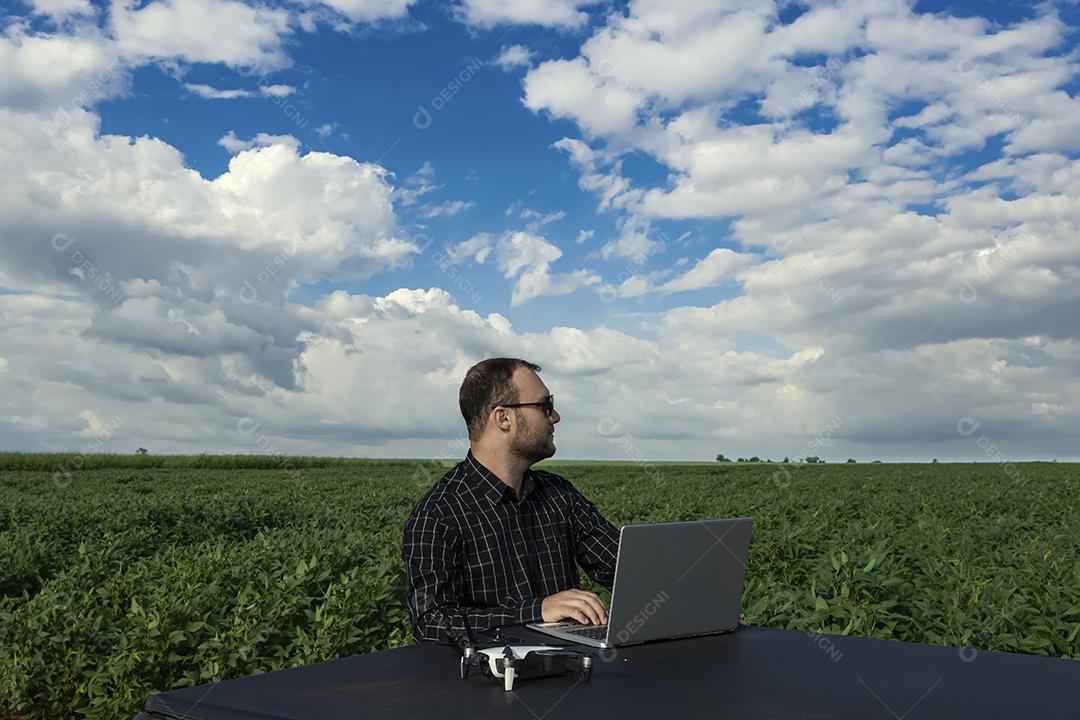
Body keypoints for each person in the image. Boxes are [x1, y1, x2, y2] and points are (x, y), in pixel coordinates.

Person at [402, 357, 619, 643]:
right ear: (503, 417)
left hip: (573, 663)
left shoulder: (560, 495)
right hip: (496, 671)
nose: (555, 417)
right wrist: (537, 611)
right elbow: (431, 622)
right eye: (545, 405)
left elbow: (623, 570)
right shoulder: (439, 514)